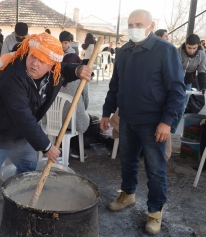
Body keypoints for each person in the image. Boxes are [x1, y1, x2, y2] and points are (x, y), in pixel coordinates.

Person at [0, 32, 92, 236]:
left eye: (42, 61)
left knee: (27, 168)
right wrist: (47, 146)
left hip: (19, 134)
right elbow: (23, 117)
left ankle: (18, 211)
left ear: (52, 65)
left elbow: (66, 69)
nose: (34, 63)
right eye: (33, 56)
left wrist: (79, 69)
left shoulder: (55, 70)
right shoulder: (12, 75)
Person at [100, 9, 185, 235]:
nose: (133, 28)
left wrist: (167, 122)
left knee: (155, 170)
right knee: (127, 161)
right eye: (130, 24)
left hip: (153, 123)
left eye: (138, 24)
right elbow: (114, 85)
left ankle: (155, 212)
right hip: (127, 118)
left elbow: (177, 90)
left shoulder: (165, 51)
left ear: (151, 25)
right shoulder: (124, 51)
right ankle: (127, 194)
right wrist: (107, 112)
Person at [59, 30, 89, 158]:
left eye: (65, 43)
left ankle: (59, 147)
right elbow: (86, 99)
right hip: (75, 118)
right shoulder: (82, 75)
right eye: (62, 43)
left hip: (54, 119)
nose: (63, 45)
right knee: (81, 116)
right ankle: (76, 150)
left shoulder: (54, 69)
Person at [170, 34, 206, 134]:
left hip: (188, 81)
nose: (191, 50)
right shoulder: (178, 52)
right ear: (186, 44)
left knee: (182, 107)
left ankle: (172, 131)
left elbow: (202, 70)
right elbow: (173, 69)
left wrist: (203, 86)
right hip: (175, 80)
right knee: (171, 104)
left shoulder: (202, 54)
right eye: (189, 47)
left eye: (194, 48)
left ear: (198, 46)